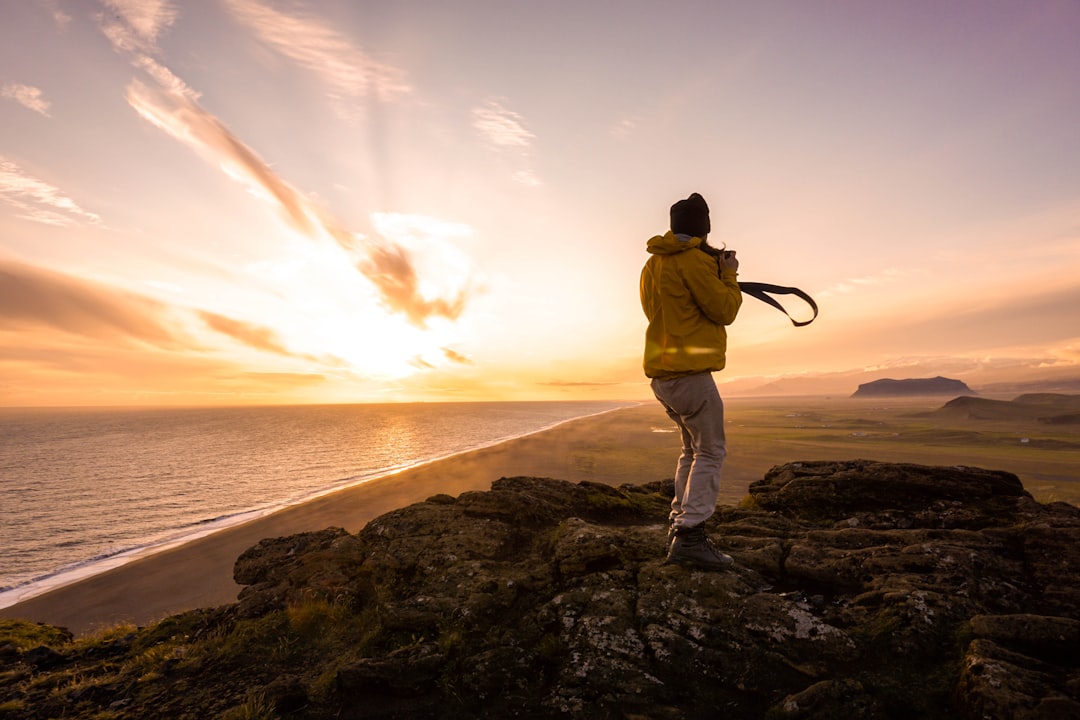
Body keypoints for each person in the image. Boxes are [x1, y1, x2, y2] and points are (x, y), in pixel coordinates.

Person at [640, 192, 742, 569]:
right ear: (704, 227)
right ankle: (690, 537)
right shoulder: (697, 262)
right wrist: (728, 274)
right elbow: (725, 310)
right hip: (692, 378)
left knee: (690, 451)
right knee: (711, 452)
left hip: (662, 377)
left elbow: (669, 310)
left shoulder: (652, 266)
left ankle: (679, 525)